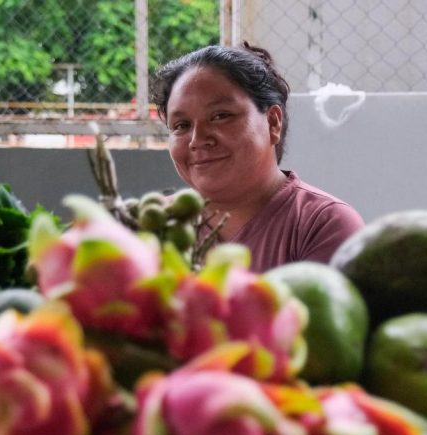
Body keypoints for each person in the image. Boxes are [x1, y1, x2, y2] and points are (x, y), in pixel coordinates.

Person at [151, 42, 364, 273]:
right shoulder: (153, 225)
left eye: (221, 116)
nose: (197, 139)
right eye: (181, 125)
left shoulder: (322, 225)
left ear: (273, 122)